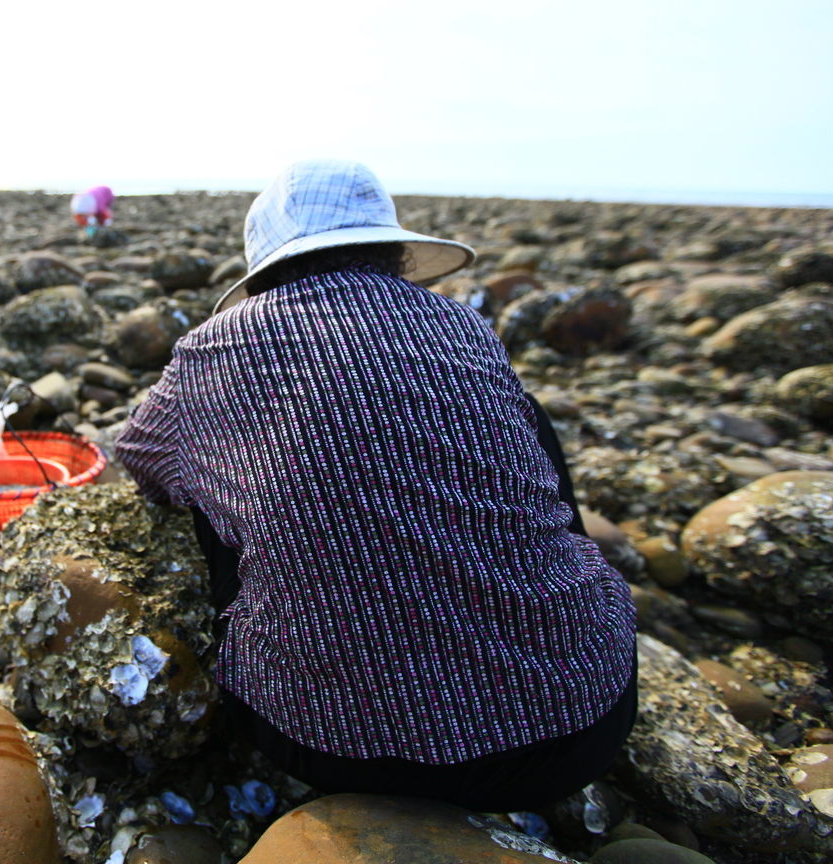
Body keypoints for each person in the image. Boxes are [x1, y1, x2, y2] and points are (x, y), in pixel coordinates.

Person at [115, 159, 637, 813]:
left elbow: (139, 456)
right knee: (523, 417)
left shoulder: (211, 350)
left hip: (338, 748)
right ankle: (546, 603)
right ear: (391, 249)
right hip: (581, 723)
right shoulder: (465, 329)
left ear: (267, 266)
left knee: (197, 476)